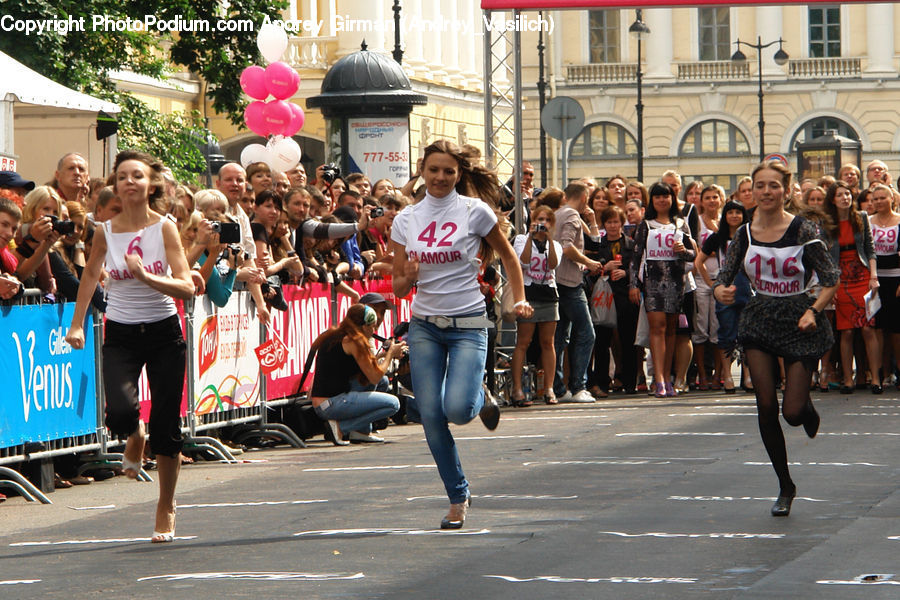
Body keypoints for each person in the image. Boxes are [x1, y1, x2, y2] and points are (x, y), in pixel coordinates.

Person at [391, 139, 531, 529]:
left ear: (459, 174)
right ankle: (458, 496)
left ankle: (479, 396)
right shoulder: (405, 220)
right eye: (433, 170)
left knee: (456, 409)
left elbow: (507, 256)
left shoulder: (475, 211)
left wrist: (518, 299)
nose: (440, 177)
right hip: (424, 327)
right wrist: (410, 277)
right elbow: (399, 287)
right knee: (431, 414)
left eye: (448, 171)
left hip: (468, 322)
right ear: (422, 170)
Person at [66, 150, 195, 542]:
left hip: (163, 331)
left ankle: (166, 505)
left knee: (167, 425)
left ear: (150, 184)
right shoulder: (104, 230)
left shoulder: (165, 229)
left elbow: (186, 286)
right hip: (120, 330)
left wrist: (145, 276)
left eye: (136, 176)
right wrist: (77, 325)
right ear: (115, 186)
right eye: (122, 177)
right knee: (120, 411)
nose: (129, 182)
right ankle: (134, 435)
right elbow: (89, 274)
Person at [714, 161, 839, 517]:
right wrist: (720, 289)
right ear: (749, 191)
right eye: (759, 186)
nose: (766, 192)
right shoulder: (745, 234)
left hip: (800, 318)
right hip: (759, 321)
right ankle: (785, 485)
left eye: (773, 186)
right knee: (766, 405)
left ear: (786, 190)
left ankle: (806, 407)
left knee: (793, 412)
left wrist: (813, 311)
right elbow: (724, 276)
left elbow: (831, 277)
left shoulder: (803, 229)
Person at [628, 181, 696, 397]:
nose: (661, 200)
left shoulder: (680, 223)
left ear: (671, 199)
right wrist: (633, 285)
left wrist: (683, 249)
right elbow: (635, 257)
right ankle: (658, 379)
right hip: (652, 283)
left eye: (665, 196)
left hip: (676, 283)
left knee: (671, 330)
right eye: (657, 196)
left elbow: (693, 255)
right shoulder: (645, 225)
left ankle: (668, 378)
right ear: (652, 201)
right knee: (656, 328)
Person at [310, 303, 404, 444]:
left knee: (383, 382)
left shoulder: (338, 334)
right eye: (372, 326)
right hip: (331, 404)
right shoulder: (354, 340)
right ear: (363, 326)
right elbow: (374, 376)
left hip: (326, 400)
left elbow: (363, 368)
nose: (374, 330)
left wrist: (381, 356)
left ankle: (361, 431)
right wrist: (390, 354)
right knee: (393, 404)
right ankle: (342, 428)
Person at [822, 181, 880, 393]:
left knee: (867, 328)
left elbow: (870, 250)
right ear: (833, 199)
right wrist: (830, 287)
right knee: (846, 331)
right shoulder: (827, 222)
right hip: (840, 279)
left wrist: (873, 276)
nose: (845, 198)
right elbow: (825, 257)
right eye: (840, 195)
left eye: (847, 194)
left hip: (862, 274)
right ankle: (848, 379)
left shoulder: (862, 217)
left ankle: (875, 379)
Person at [553, 182, 602, 402]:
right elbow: (566, 246)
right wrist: (588, 261)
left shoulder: (558, 213)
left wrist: (591, 221)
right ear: (584, 197)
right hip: (570, 282)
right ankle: (579, 386)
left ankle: (559, 387)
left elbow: (594, 239)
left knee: (560, 335)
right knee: (586, 332)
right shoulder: (572, 215)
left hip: (555, 280)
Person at [696, 200, 751, 393]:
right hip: (725, 286)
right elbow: (699, 261)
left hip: (747, 286)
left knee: (747, 333)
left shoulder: (750, 236)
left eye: (738, 212)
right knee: (726, 332)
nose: (734, 216)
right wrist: (712, 285)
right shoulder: (716, 238)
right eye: (730, 212)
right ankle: (727, 375)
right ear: (724, 216)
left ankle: (748, 374)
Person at [510, 205, 561, 405]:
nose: (543, 224)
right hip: (529, 294)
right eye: (539, 220)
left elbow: (554, 265)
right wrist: (531, 237)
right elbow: (523, 261)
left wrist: (547, 239)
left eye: (547, 220)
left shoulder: (554, 244)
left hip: (549, 294)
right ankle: (517, 389)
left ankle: (548, 388)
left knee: (548, 343)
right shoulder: (522, 240)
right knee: (523, 342)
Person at [868, 183, 900, 388]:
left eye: (883, 197)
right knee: (877, 328)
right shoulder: (867, 221)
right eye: (875, 198)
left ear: (892, 199)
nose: (879, 201)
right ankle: (877, 374)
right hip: (874, 281)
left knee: (897, 330)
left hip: (896, 279)